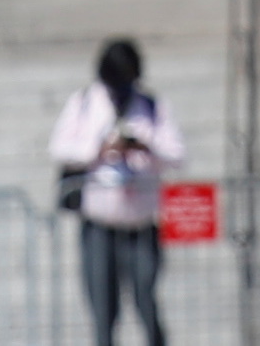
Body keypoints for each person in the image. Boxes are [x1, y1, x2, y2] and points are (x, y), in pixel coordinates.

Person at [49, 35, 187, 346]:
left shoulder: (152, 106)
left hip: (140, 226)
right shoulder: (84, 102)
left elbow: (177, 155)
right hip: (99, 226)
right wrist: (98, 148)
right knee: (103, 310)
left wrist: (143, 146)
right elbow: (59, 148)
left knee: (146, 301)